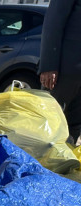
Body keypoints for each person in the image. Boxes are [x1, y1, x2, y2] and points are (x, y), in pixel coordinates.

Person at [40, 0, 81, 144]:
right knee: (49, 121)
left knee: (75, 125)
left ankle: (64, 163)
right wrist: (48, 65)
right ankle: (39, 163)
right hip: (65, 70)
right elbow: (53, 23)